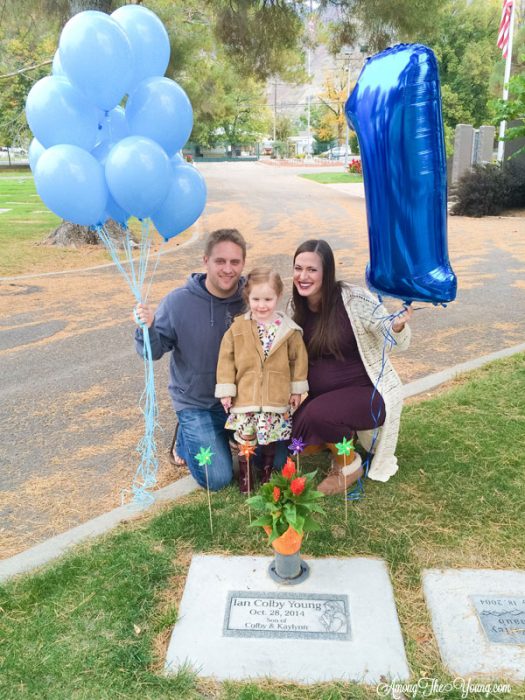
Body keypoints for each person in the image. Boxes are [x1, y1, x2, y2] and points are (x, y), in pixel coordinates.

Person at [291, 239, 413, 495]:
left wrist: (397, 326)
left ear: (327, 272)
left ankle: (349, 465)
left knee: (319, 416)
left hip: (369, 395)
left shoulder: (353, 299)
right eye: (298, 268)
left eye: (312, 270)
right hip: (324, 398)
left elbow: (388, 332)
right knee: (296, 443)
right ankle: (342, 438)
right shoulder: (296, 308)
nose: (303, 276)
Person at [134, 228, 247, 491]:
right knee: (218, 478)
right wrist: (147, 328)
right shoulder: (178, 302)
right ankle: (186, 434)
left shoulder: (250, 299)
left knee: (275, 460)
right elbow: (153, 351)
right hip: (198, 403)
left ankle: (223, 434)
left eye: (235, 262)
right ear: (205, 260)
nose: (228, 269)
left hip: (242, 402)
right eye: (220, 261)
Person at [215, 268, 309, 492]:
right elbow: (226, 359)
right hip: (246, 395)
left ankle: (266, 472)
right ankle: (246, 477)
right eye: (256, 299)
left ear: (278, 297)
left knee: (270, 438)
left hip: (274, 397)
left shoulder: (289, 331)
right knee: (246, 437)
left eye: (268, 299)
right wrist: (227, 390)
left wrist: (296, 390)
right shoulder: (238, 328)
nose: (262, 305)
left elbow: (298, 361)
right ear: (248, 297)